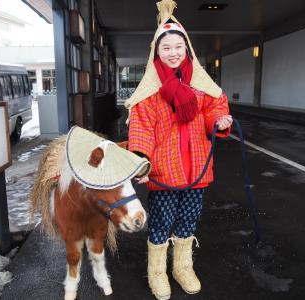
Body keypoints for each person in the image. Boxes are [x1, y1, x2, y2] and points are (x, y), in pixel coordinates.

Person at [125, 1, 232, 299]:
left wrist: (219, 119)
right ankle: (157, 273)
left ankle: (183, 267)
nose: (173, 53)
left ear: (187, 49)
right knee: (161, 224)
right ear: (156, 52)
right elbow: (141, 128)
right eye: (166, 48)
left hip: (197, 169)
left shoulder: (200, 83)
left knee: (188, 220)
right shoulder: (149, 90)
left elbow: (215, 106)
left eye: (178, 47)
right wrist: (142, 161)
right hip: (164, 172)